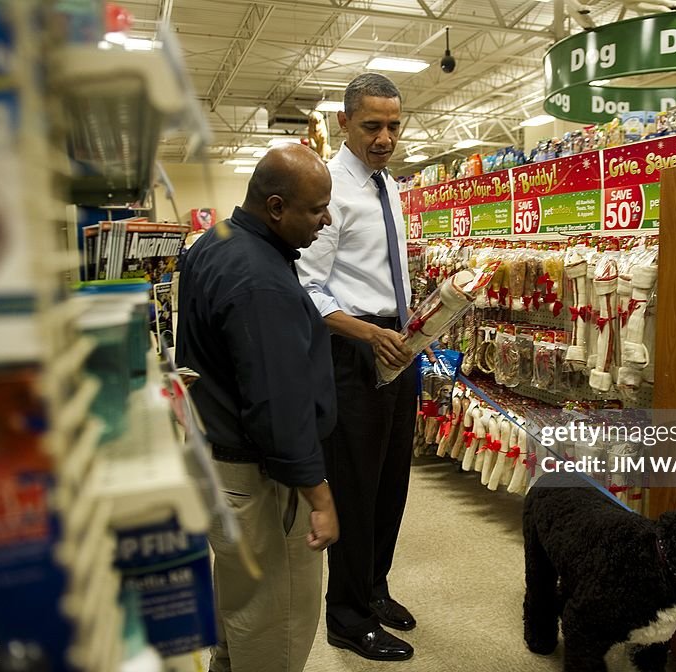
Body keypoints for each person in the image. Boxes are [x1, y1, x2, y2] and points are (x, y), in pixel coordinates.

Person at [175, 144, 339, 672]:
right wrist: (320, 497)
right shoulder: (261, 280)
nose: (326, 219)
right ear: (275, 207)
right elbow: (277, 408)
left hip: (217, 462)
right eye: (317, 209)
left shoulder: (216, 240)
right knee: (275, 631)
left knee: (241, 615)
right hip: (259, 480)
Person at [296, 72, 419, 662]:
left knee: (392, 481)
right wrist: (369, 332)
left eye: (394, 125)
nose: (385, 137)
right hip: (354, 351)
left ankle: (373, 588)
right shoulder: (332, 190)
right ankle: (345, 616)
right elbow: (308, 289)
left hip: (399, 344)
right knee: (354, 486)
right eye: (372, 125)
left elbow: (383, 270)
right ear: (345, 122)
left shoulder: (388, 185)